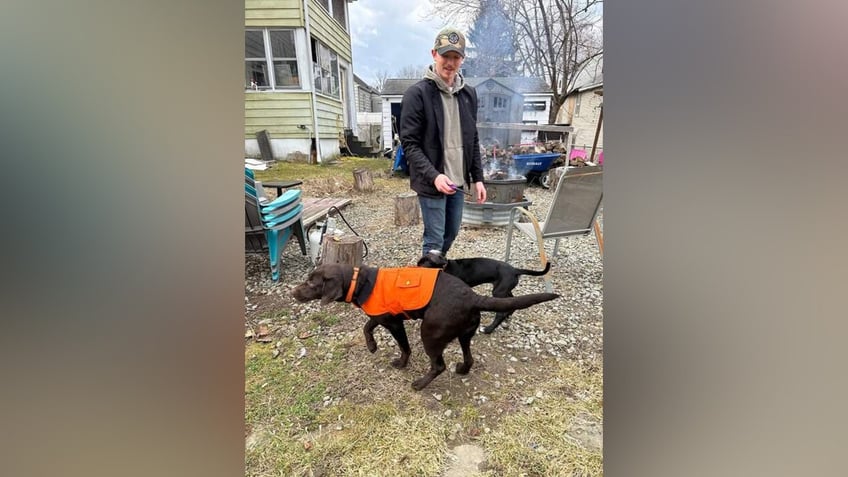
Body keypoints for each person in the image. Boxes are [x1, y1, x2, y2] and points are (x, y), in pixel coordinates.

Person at [400, 26, 487, 258]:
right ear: (434, 54)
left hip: (457, 182)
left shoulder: (469, 95)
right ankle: (429, 288)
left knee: (450, 234)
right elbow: (409, 145)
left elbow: (473, 139)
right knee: (434, 240)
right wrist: (434, 175)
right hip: (433, 182)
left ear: (462, 59)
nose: (450, 62)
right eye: (445, 56)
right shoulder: (416, 95)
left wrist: (477, 178)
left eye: (455, 57)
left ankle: (435, 273)